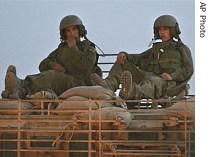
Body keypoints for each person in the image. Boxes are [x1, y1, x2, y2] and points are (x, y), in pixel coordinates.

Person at [90, 15, 194, 101]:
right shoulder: (155, 49)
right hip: (147, 76)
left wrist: (172, 76)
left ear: (173, 30)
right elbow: (138, 58)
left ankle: (130, 91)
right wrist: (124, 55)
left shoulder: (181, 49)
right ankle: (108, 86)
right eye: (159, 30)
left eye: (165, 29)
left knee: (153, 81)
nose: (162, 32)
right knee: (122, 62)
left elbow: (188, 69)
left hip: (167, 83)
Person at [1, 15, 102, 99]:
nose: (71, 33)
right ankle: (20, 89)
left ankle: (21, 85)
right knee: (46, 83)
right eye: (68, 31)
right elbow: (43, 64)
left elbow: (86, 65)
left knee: (52, 76)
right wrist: (52, 64)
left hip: (80, 83)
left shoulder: (88, 46)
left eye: (74, 29)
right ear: (64, 34)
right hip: (64, 81)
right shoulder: (62, 48)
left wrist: (73, 48)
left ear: (80, 30)